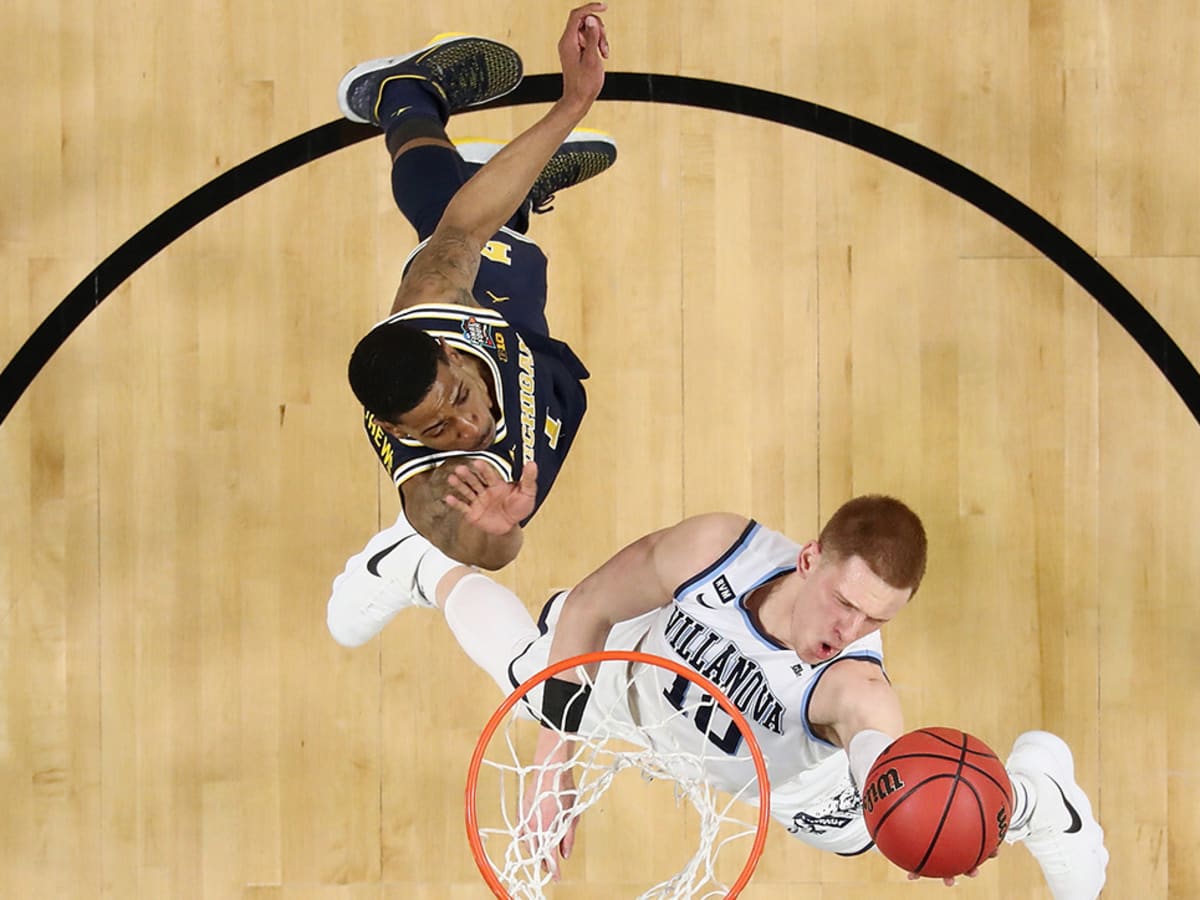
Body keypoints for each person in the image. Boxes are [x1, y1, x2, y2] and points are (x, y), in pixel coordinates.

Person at [360, 483, 1109, 898]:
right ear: (810, 557)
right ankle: (416, 564)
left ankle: (1044, 800)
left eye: (876, 620)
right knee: (539, 680)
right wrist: (552, 768)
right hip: (644, 689)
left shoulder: (857, 691)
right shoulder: (717, 549)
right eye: (844, 603)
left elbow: (879, 750)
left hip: (780, 789)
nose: (849, 629)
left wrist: (899, 801)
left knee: (909, 822)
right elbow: (590, 607)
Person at [326, 5, 615, 645]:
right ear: (400, 433)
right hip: (529, 394)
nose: (465, 427)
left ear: (449, 356)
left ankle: (402, 97)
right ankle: (509, 191)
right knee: (514, 257)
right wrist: (498, 529)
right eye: (434, 430)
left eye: (456, 400)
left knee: (471, 233)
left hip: (498, 335)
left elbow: (464, 226)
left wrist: (573, 104)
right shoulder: (437, 488)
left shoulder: (432, 295)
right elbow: (479, 550)